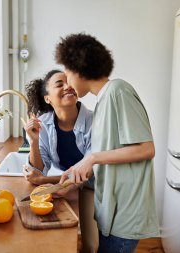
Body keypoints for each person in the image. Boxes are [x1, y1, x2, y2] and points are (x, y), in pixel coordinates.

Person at [55, 33, 159, 253]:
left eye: (67, 72)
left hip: (125, 213)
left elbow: (147, 149)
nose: (67, 80)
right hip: (110, 211)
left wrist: (92, 158)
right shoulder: (103, 102)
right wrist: (72, 176)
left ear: (79, 68)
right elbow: (106, 153)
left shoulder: (118, 91)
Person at [23, 70, 98, 252]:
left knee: (92, 245)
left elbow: (89, 170)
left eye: (69, 82)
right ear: (47, 98)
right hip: (70, 184)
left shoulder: (94, 120)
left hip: (94, 186)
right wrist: (33, 141)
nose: (68, 87)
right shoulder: (43, 123)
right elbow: (38, 172)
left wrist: (44, 181)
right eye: (59, 84)